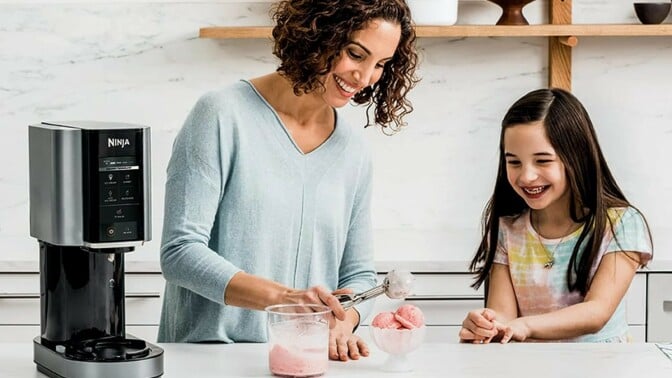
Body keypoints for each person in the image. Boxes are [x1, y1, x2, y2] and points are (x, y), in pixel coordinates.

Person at [157, 0, 419, 362]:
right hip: (208, 357)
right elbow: (180, 253)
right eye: (356, 54)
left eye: (381, 65)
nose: (365, 77)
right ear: (317, 34)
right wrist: (285, 300)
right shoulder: (221, 114)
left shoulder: (353, 148)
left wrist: (345, 321)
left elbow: (357, 273)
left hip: (305, 359)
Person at [459, 88, 653, 344]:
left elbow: (597, 313)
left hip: (602, 367)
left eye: (542, 161)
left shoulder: (620, 224)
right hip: (533, 368)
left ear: (576, 158)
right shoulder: (507, 228)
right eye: (514, 162)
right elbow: (504, 318)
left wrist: (524, 325)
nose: (526, 176)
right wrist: (487, 326)